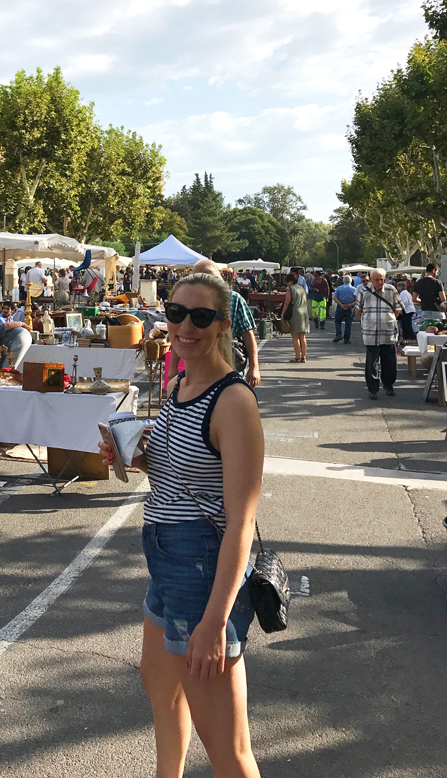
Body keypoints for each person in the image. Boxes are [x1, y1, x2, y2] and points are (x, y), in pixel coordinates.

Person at [98, 271, 264, 778]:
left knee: (227, 746)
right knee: (162, 688)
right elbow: (179, 469)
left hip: (202, 568)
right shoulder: (179, 382)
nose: (184, 326)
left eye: (200, 316)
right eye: (175, 313)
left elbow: (241, 520)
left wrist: (215, 621)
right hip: (165, 557)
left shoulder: (233, 401)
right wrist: (133, 458)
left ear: (221, 326)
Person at [168, 259, 261, 387]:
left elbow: (248, 336)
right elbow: (180, 334)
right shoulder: (187, 301)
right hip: (195, 372)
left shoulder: (234, 299)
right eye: (196, 277)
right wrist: (172, 368)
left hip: (227, 367)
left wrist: (254, 367)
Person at [356, 267, 402, 400]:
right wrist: (368, 320)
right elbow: (358, 310)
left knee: (389, 362)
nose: (380, 282)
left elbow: (398, 308)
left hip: (388, 332)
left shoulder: (391, 290)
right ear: (370, 279)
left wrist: (388, 319)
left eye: (382, 280)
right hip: (371, 332)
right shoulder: (364, 291)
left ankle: (389, 386)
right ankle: (373, 389)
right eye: (377, 280)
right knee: (372, 363)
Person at [281, 271, 309, 362]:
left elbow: (287, 302)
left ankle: (297, 356)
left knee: (295, 336)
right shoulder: (301, 288)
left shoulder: (290, 289)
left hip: (295, 312)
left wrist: (283, 313)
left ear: (290, 281)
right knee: (302, 336)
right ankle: (303, 357)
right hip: (304, 312)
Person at [332, 275, 357, 343]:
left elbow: (335, 298)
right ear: (351, 281)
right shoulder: (354, 289)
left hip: (341, 306)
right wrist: (350, 305)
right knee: (348, 323)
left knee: (338, 321)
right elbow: (356, 300)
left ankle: (339, 334)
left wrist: (341, 304)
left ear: (343, 281)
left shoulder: (339, 288)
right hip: (350, 307)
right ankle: (347, 339)